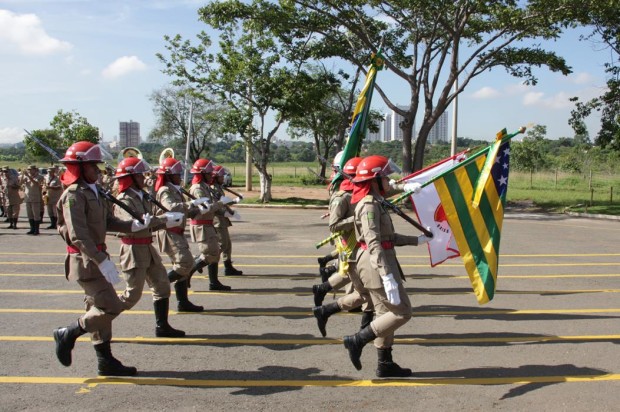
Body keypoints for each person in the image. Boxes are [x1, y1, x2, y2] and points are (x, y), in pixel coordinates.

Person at [52, 141, 160, 376]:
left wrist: (134, 225)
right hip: (86, 261)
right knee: (110, 306)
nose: (98, 170)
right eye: (93, 166)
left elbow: (108, 222)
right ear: (81, 168)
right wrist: (101, 259)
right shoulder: (74, 195)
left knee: (99, 309)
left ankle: (105, 360)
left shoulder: (94, 191)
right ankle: (69, 332)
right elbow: (78, 235)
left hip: (98, 257)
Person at [342, 155, 429, 378]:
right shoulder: (369, 205)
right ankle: (357, 340)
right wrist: (386, 274)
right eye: (385, 177)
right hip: (377, 264)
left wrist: (417, 240)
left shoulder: (376, 200)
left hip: (378, 262)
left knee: (385, 314)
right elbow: (373, 242)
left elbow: (388, 238)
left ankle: (385, 363)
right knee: (403, 312)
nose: (388, 181)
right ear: (374, 181)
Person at [114, 156, 186, 337]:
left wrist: (165, 222)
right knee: (131, 295)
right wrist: (164, 219)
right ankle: (97, 317)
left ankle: (162, 326)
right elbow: (134, 224)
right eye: (140, 175)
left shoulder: (142, 196)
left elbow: (149, 224)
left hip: (147, 246)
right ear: (130, 178)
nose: (144, 178)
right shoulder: (124, 199)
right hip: (133, 250)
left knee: (162, 286)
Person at [312, 156, 375, 338]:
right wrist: (358, 218)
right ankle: (363, 333)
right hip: (352, 245)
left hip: (362, 245)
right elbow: (334, 225)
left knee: (363, 288)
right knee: (366, 291)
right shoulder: (342, 196)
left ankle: (323, 292)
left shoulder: (360, 193)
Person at [154, 157, 211, 312]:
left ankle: (183, 302)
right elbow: (171, 207)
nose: (180, 177)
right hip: (169, 232)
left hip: (177, 231)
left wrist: (198, 210)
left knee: (183, 268)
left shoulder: (174, 189)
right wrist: (190, 203)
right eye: (177, 174)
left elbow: (184, 212)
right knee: (185, 263)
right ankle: (161, 283)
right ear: (168, 175)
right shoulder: (165, 190)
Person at [187, 159, 235, 291]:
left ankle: (214, 282)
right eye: (208, 173)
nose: (211, 175)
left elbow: (211, 207)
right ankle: (192, 268)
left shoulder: (205, 187)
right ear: (202, 174)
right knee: (211, 254)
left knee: (215, 253)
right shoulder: (198, 188)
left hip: (208, 223)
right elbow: (205, 208)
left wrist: (225, 211)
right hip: (201, 224)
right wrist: (220, 204)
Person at [210, 165, 243, 277]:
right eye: (221, 176)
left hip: (222, 219)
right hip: (217, 220)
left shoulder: (218, 187)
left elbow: (223, 202)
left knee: (227, 245)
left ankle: (228, 267)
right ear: (215, 177)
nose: (223, 178)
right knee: (222, 244)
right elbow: (216, 205)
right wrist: (227, 212)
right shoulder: (213, 188)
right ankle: (205, 261)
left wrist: (233, 204)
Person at [20, 165, 44, 235]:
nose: (29, 171)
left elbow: (36, 183)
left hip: (35, 198)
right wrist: (23, 175)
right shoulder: (26, 176)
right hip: (28, 198)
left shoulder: (39, 177)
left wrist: (28, 176)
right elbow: (20, 183)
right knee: (30, 215)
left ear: (35, 170)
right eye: (28, 170)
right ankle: (32, 229)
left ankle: (37, 230)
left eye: (30, 169)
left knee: (36, 215)